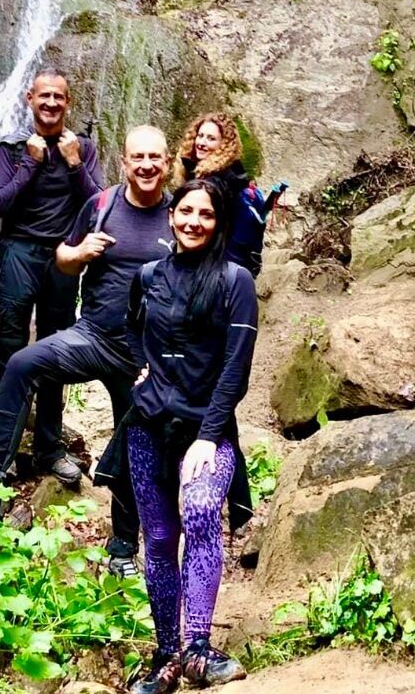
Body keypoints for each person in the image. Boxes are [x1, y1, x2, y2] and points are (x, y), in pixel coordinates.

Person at [0, 126, 173, 576]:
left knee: (134, 446)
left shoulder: (180, 215)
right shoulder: (101, 205)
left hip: (143, 358)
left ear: (167, 162)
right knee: (22, 364)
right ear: (124, 162)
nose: (145, 165)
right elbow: (62, 256)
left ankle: (122, 549)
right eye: (137, 157)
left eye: (154, 158)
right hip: (92, 337)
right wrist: (79, 252)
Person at [125, 178, 257, 692]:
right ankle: (166, 655)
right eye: (185, 212)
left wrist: (207, 435)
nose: (193, 221)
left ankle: (198, 646)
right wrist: (138, 367)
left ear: (218, 222)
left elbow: (236, 369)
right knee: (158, 539)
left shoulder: (235, 280)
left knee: (201, 510)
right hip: (147, 427)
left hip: (207, 430)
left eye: (205, 214)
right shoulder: (148, 275)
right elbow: (129, 328)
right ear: (171, 216)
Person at [0, 67, 103, 483]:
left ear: (68, 103)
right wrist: (30, 166)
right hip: (18, 252)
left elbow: (99, 204)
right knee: (9, 347)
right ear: (29, 100)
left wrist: (73, 165)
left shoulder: (82, 149)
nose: (51, 103)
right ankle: (0, 447)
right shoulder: (12, 149)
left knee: (57, 351)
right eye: (44, 96)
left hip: (63, 258)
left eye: (59, 97)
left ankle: (49, 448)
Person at [172, 113, 262, 276]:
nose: (201, 142)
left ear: (224, 145)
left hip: (214, 266)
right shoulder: (229, 175)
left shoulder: (216, 182)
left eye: (210, 138)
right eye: (200, 136)